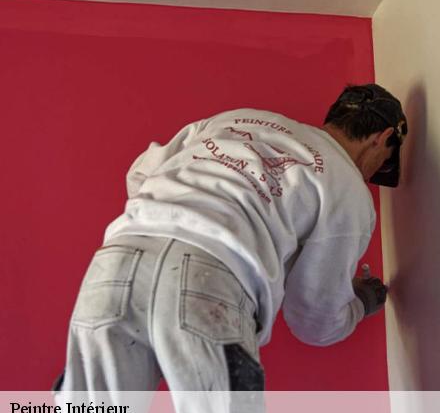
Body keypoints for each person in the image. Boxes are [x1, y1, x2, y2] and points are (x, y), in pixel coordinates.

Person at [55, 83, 407, 396]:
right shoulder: (347, 186)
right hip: (212, 277)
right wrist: (360, 301)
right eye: (383, 162)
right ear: (382, 137)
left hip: (119, 258)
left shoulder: (238, 119)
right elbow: (314, 319)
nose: (374, 172)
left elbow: (140, 174)